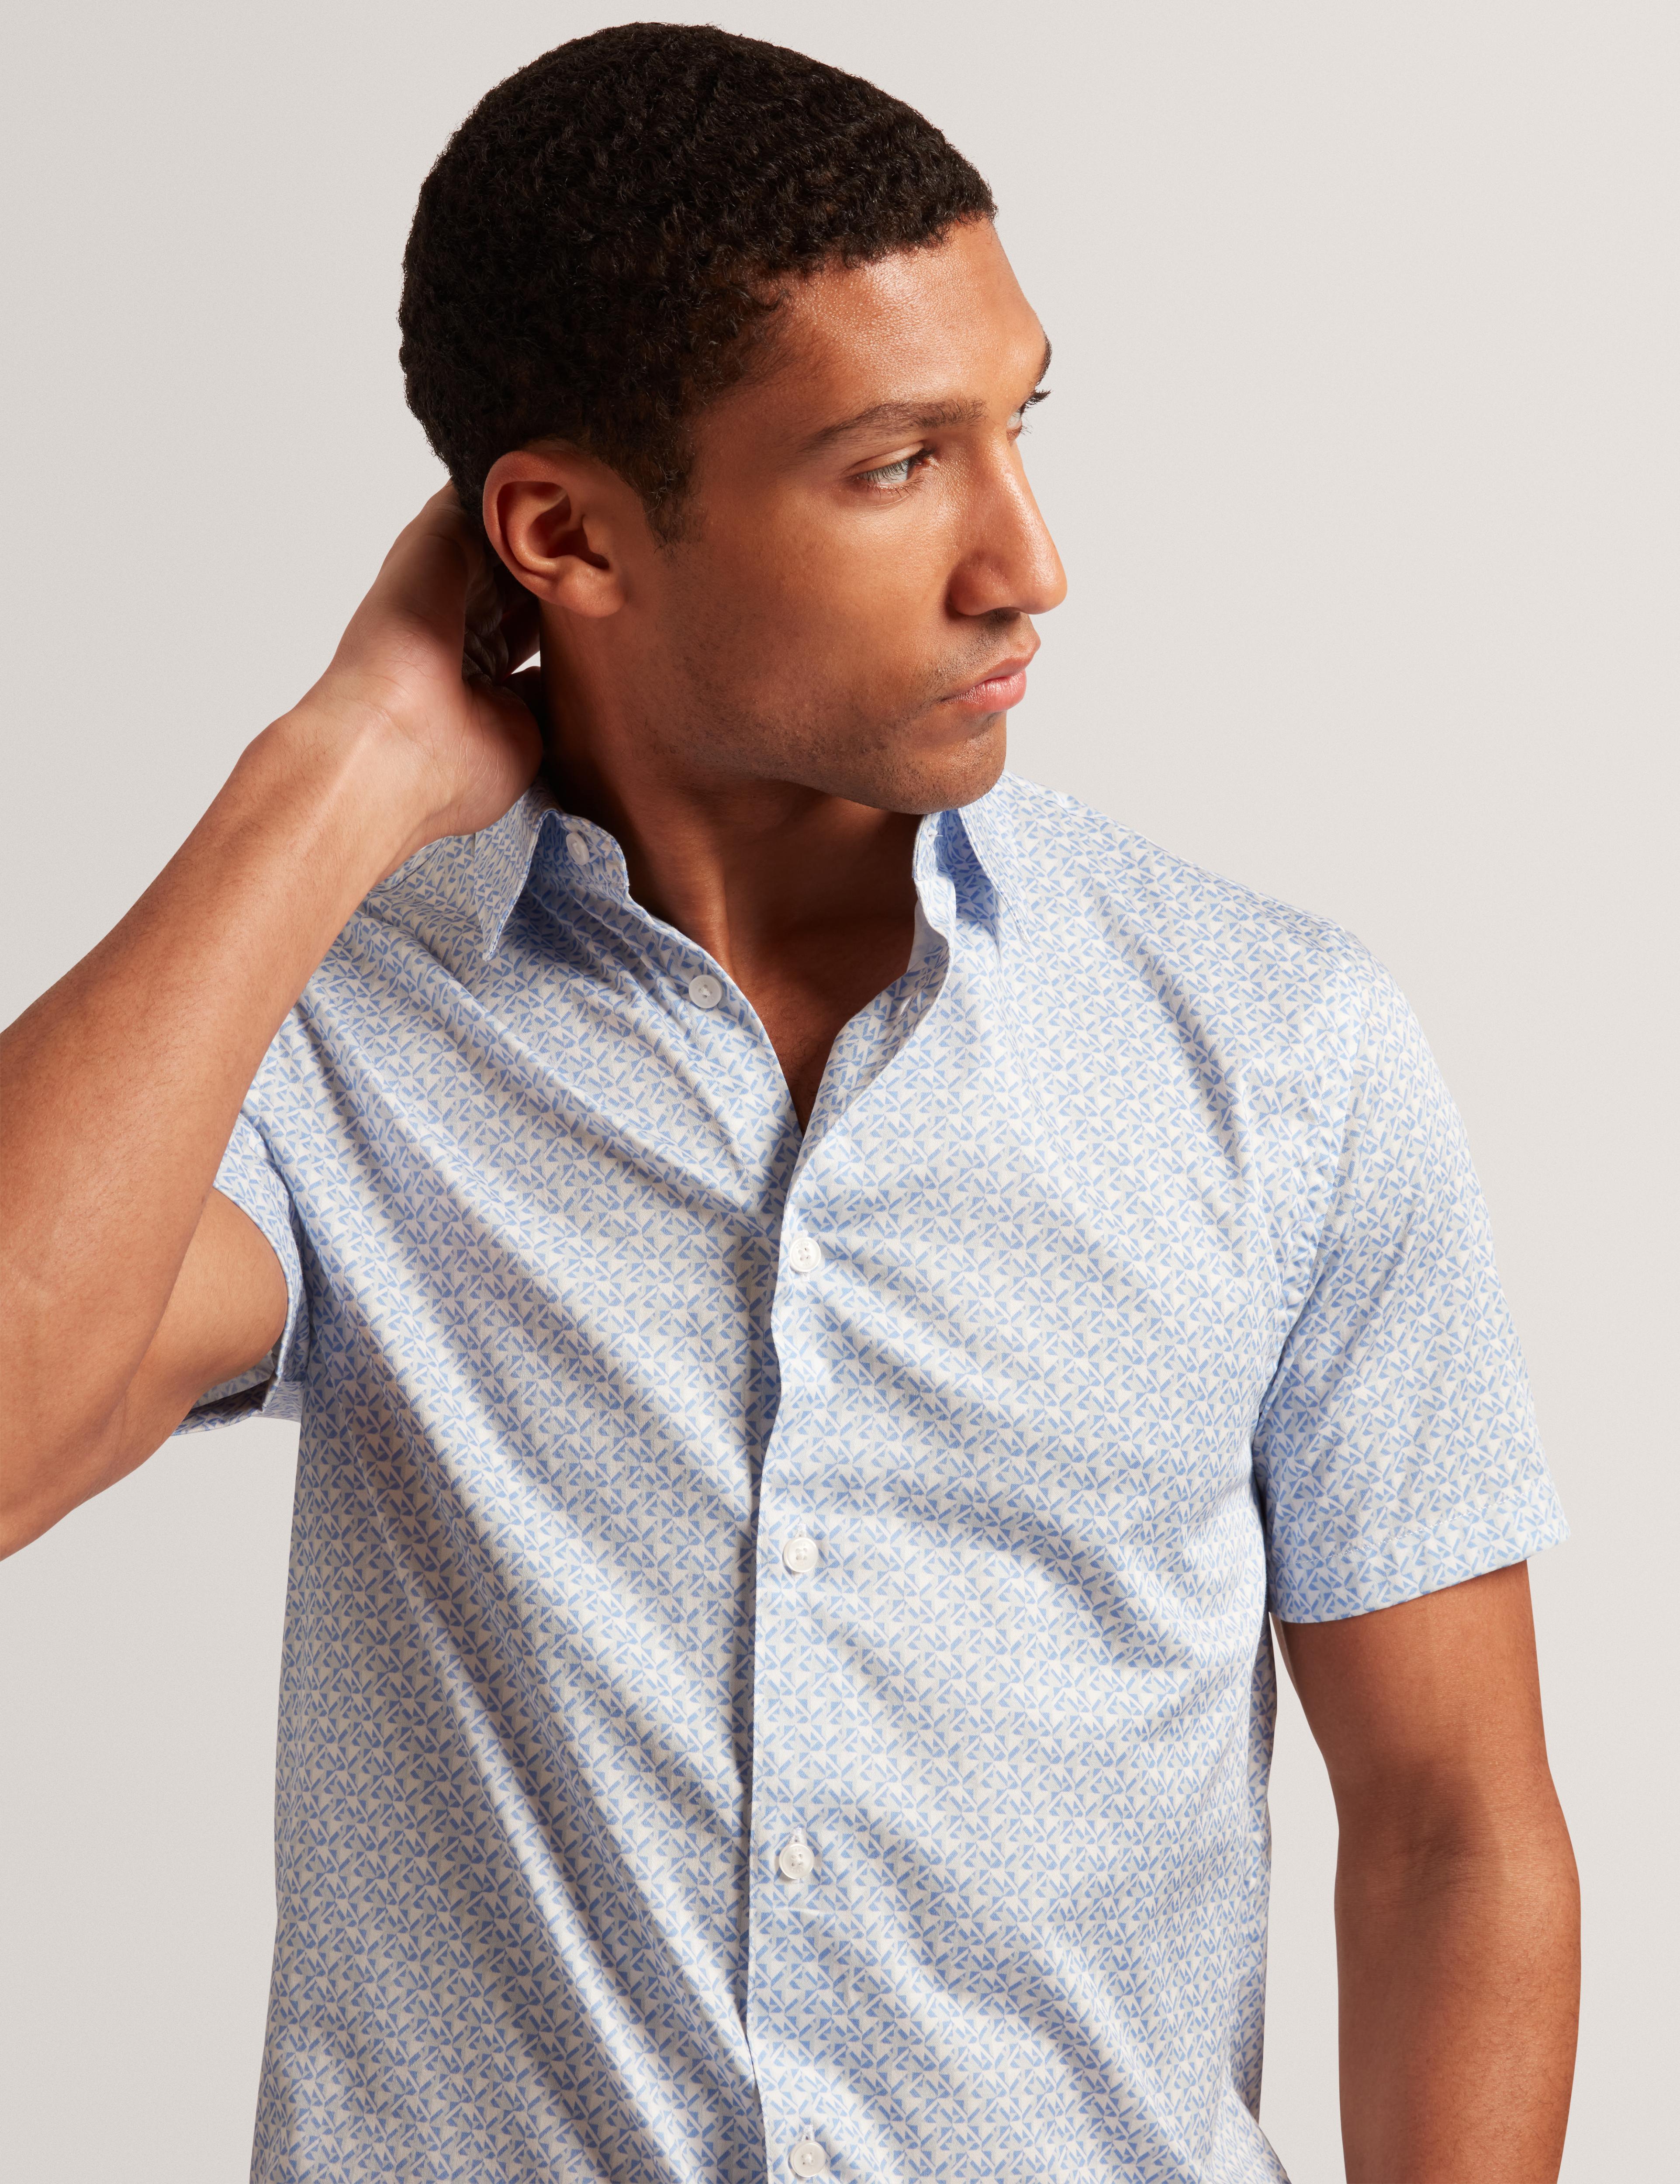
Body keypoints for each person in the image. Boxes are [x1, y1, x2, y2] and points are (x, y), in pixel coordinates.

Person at [0, 23, 1579, 2184]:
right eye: (893, 463)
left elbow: (1449, 1823)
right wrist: (331, 774)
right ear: (562, 532)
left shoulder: (1274, 1047)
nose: (1024, 561)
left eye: (1015, 426)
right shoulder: (333, 1038)